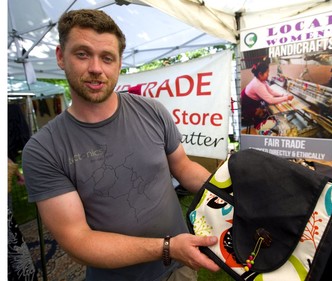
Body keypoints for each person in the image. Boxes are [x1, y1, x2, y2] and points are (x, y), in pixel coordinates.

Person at [22, 9, 220, 281]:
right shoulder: (44, 150)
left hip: (180, 268)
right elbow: (78, 241)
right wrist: (168, 247)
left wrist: (227, 192)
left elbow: (183, 167)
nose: (96, 68)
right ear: (60, 56)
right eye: (82, 54)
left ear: (118, 63)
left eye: (107, 58)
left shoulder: (152, 111)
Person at [241, 61, 294, 126]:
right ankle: (258, 126)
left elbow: (271, 91)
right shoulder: (257, 84)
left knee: (266, 113)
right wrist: (286, 98)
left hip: (251, 101)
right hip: (248, 106)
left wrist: (282, 95)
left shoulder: (261, 80)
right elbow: (270, 100)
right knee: (264, 117)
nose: (268, 74)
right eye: (267, 72)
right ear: (260, 74)